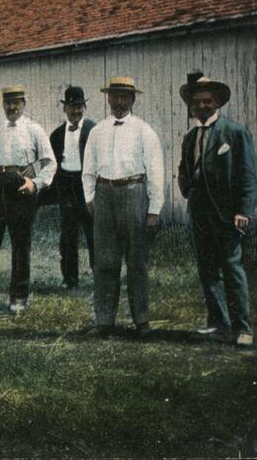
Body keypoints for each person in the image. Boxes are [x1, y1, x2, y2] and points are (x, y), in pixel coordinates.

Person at [177, 77, 257, 347]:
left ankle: (243, 327)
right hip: (198, 213)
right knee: (207, 270)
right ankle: (218, 323)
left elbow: (248, 175)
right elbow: (184, 169)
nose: (202, 106)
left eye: (207, 101)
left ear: (218, 102)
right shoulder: (190, 136)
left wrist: (243, 210)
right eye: (197, 102)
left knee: (232, 268)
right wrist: (187, 188)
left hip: (226, 213)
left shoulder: (234, 133)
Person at [82, 77, 164, 335]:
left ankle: (142, 321)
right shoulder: (98, 131)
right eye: (114, 96)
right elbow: (88, 169)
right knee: (105, 260)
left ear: (133, 100)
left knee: (136, 261)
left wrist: (154, 210)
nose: (118, 102)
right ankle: (104, 321)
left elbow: (156, 171)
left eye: (124, 97)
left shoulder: (144, 130)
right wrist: (89, 197)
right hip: (105, 194)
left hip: (134, 193)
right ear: (108, 98)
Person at [0, 85, 56, 314]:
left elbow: (48, 162)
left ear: (24, 104)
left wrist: (36, 183)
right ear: (3, 104)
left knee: (20, 245)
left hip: (21, 189)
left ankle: (19, 299)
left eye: (16, 102)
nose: (12, 107)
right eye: (8, 103)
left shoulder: (34, 130)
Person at [49, 86, 96, 291]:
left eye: (79, 107)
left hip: (87, 185)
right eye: (72, 107)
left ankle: (100, 275)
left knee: (93, 232)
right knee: (68, 235)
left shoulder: (94, 130)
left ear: (84, 107)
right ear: (64, 108)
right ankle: (70, 279)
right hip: (66, 185)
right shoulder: (57, 135)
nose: (76, 112)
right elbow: (48, 161)